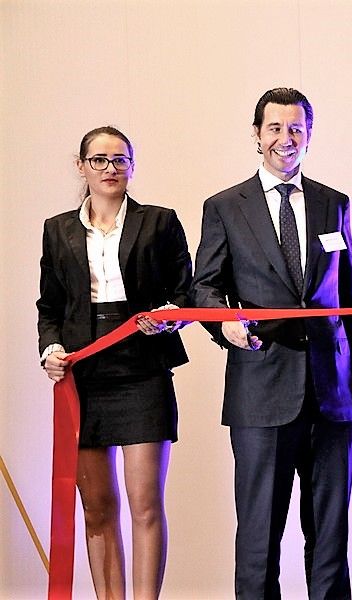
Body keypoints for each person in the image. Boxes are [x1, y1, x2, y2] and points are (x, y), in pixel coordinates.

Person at [190, 87, 352, 599]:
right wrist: (224, 323)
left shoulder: (334, 203)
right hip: (260, 390)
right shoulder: (225, 207)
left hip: (331, 392)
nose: (285, 139)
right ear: (257, 134)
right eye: (275, 128)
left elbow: (349, 293)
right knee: (258, 540)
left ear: (309, 135)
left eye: (296, 128)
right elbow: (204, 287)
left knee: (330, 538)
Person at [37, 126, 192, 599]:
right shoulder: (57, 229)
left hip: (143, 372)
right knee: (97, 508)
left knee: (145, 504)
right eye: (99, 160)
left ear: (132, 165)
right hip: (84, 374)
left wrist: (168, 318)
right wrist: (50, 350)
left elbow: (185, 296)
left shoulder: (159, 221)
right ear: (81, 166)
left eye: (120, 160)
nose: (110, 168)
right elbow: (50, 307)